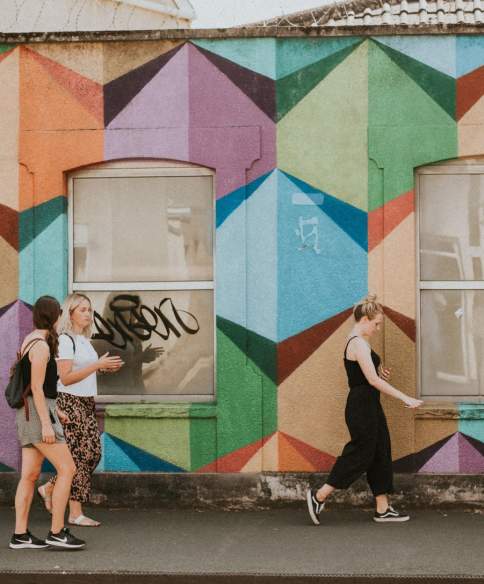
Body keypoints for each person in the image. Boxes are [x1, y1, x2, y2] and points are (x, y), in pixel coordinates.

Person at [306, 294, 423, 525]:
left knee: (380, 450)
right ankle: (319, 496)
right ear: (365, 319)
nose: (378, 328)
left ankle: (383, 508)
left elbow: (369, 377)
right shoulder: (358, 342)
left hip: (368, 403)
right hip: (362, 406)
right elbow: (370, 381)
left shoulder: (361, 341)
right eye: (377, 323)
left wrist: (380, 374)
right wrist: (404, 397)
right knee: (361, 452)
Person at [37, 293, 123, 527]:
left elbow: (84, 371)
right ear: (70, 313)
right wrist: (97, 365)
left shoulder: (83, 339)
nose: (88, 313)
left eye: (89, 309)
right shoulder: (65, 340)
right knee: (82, 455)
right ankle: (75, 512)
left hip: (85, 402)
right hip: (69, 402)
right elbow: (65, 378)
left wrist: (103, 368)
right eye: (82, 309)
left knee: (90, 454)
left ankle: (50, 487)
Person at [10, 296, 85, 550]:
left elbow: (36, 388)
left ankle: (20, 536)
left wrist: (56, 412)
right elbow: (38, 390)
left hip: (33, 413)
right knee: (68, 469)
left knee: (29, 476)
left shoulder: (30, 339)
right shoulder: (41, 346)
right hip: (36, 416)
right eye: (59, 314)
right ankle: (57, 531)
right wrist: (46, 423)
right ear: (53, 316)